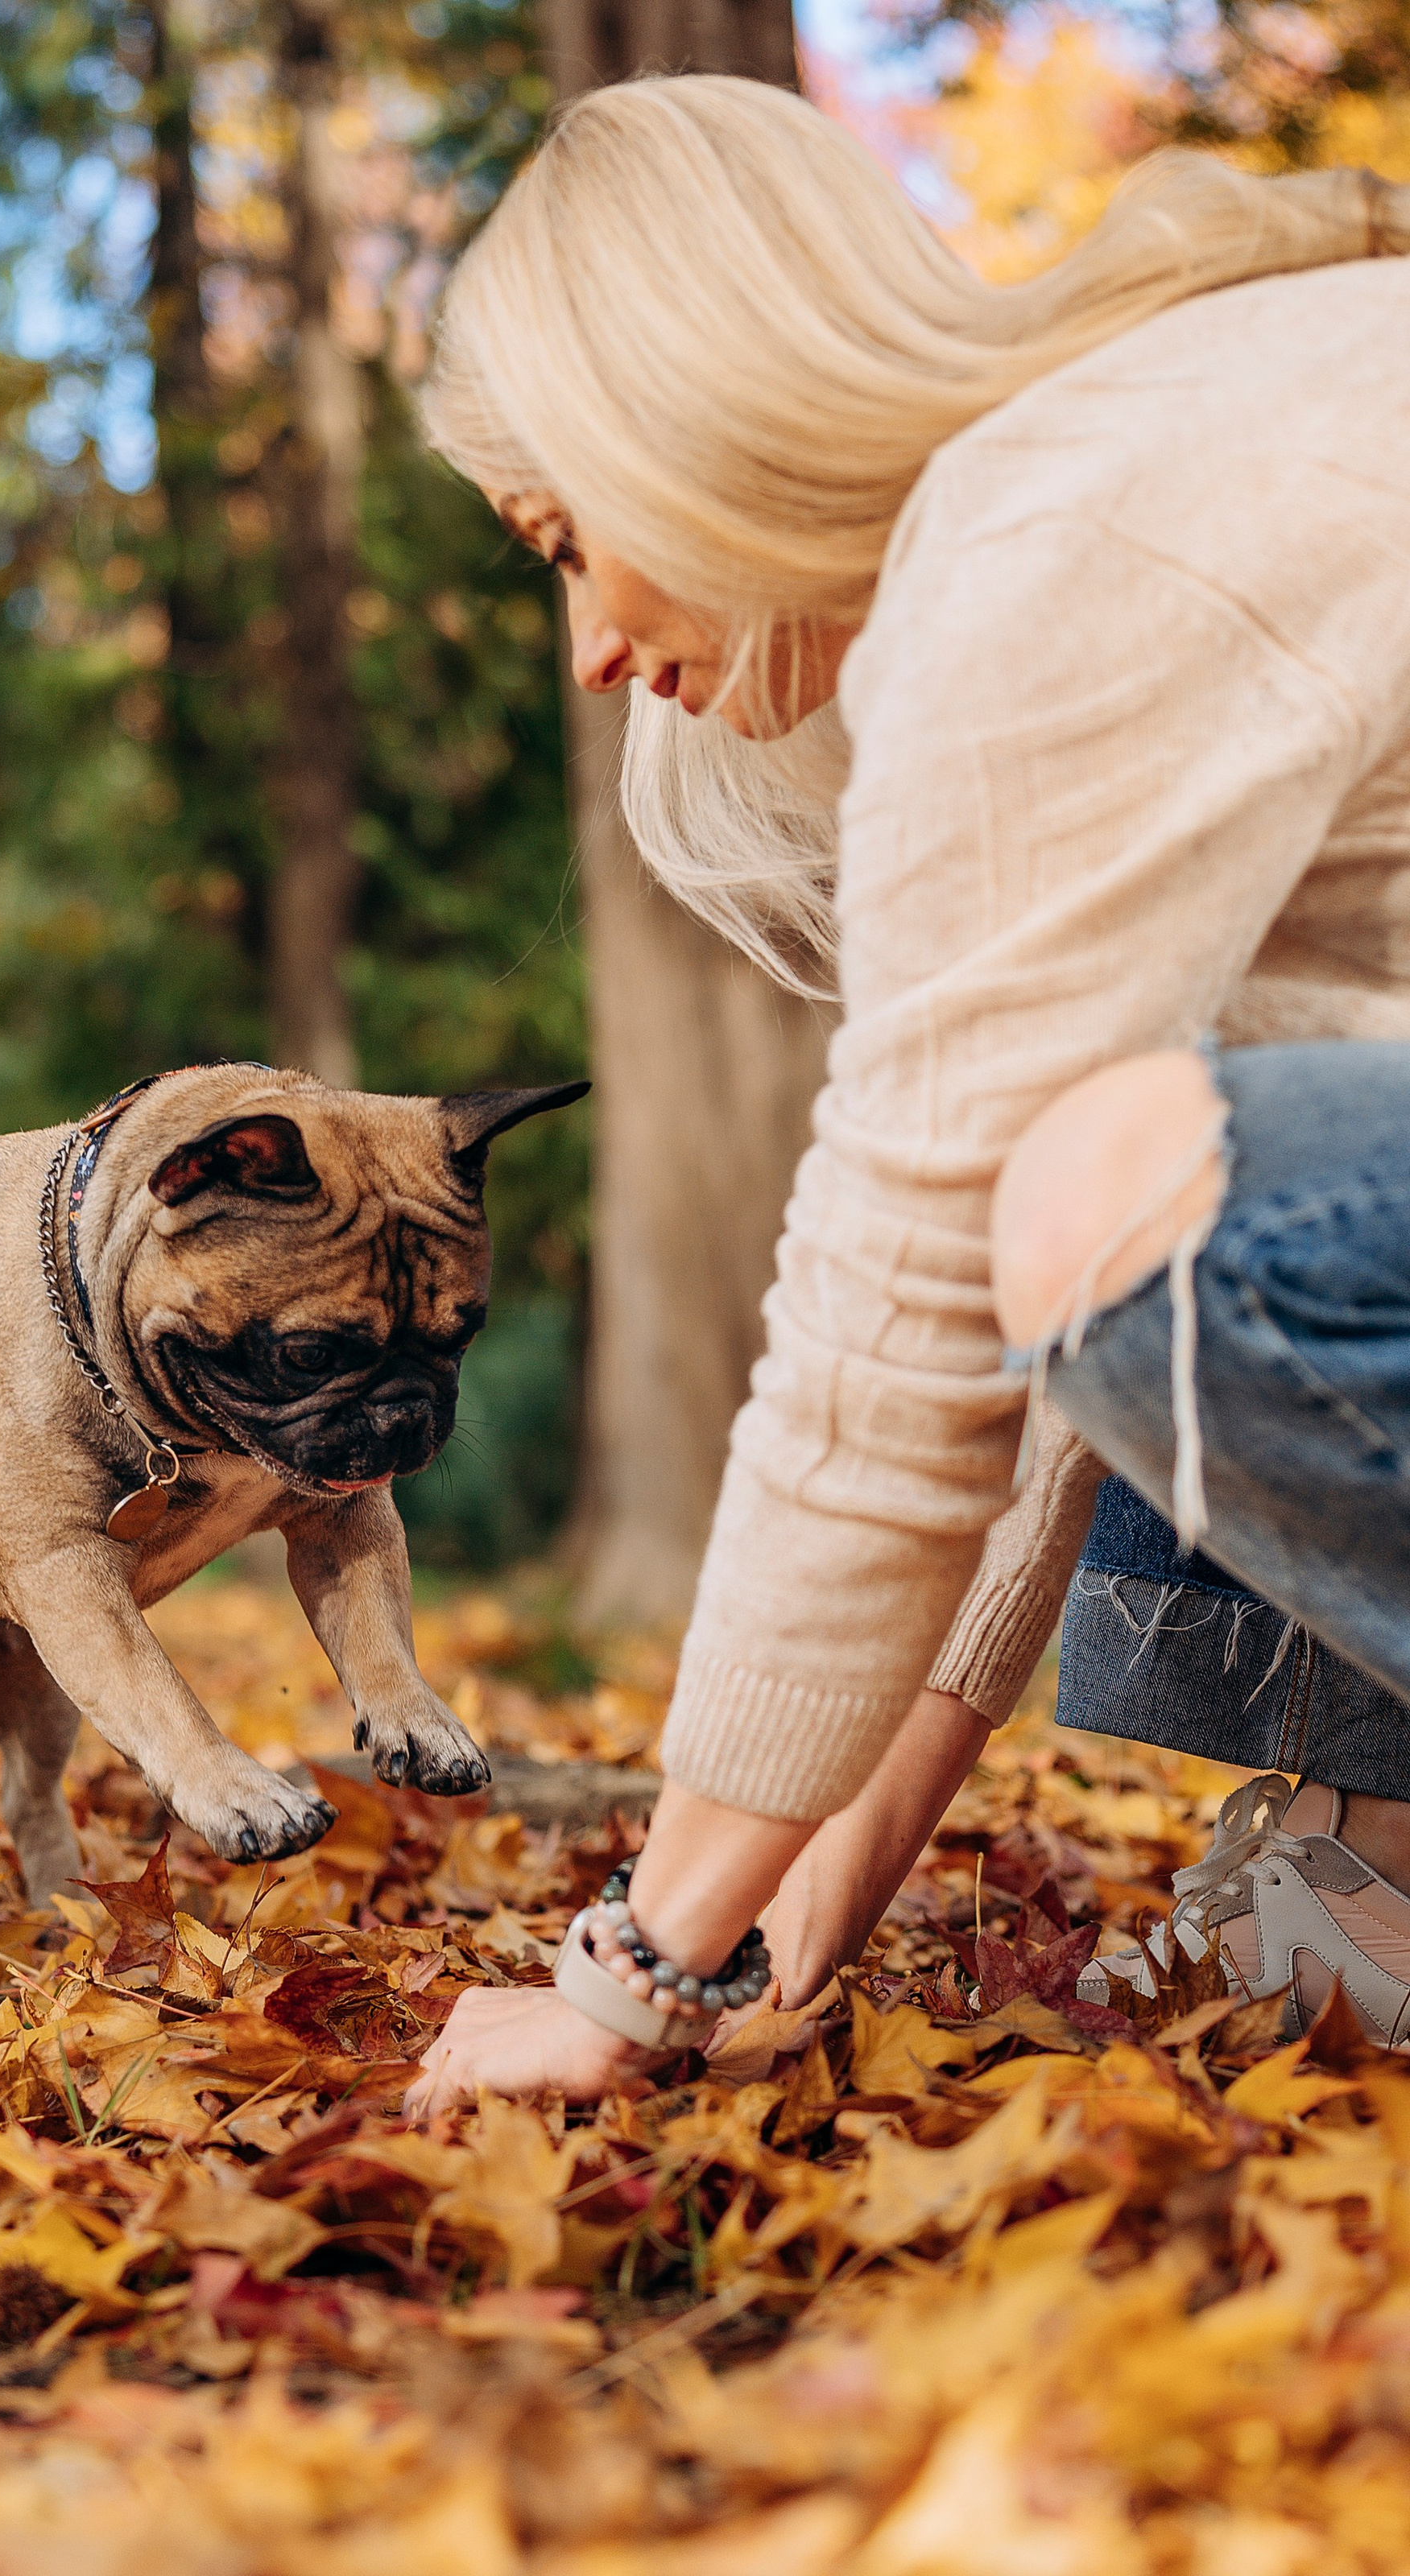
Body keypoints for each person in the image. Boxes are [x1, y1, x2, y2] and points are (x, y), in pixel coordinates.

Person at [403, 76, 1410, 2116]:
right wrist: (806, 1894)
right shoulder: (1116, 463)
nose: (585, 645)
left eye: (559, 538)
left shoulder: (1054, 543)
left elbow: (919, 1313)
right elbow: (1013, 1376)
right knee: (1120, 1201)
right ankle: (1381, 1880)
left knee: (1145, 1216)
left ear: (678, 419)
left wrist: (634, 1974)